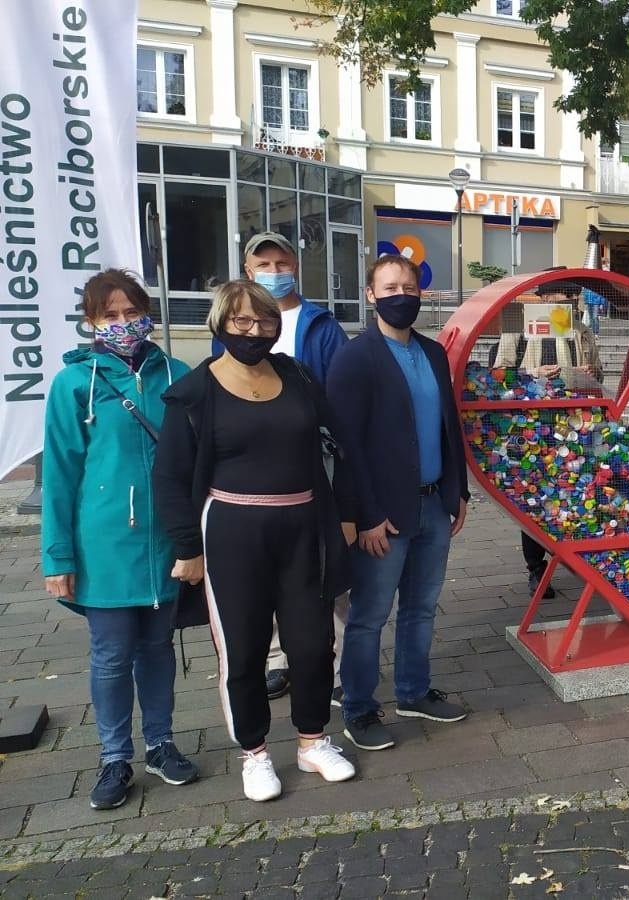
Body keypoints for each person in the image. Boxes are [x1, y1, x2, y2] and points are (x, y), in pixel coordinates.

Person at [152, 279, 357, 802]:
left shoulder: (297, 374)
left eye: (265, 321)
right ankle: (255, 753)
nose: (255, 331)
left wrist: (347, 514)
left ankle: (312, 742)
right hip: (232, 535)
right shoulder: (195, 392)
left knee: (313, 645)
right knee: (242, 650)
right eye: (242, 321)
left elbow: (335, 444)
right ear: (220, 324)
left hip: (303, 529)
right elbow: (171, 477)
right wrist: (186, 549)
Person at [41, 269, 198, 811]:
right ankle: (114, 758)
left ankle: (161, 744)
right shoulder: (72, 385)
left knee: (157, 649)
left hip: (165, 544)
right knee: (110, 657)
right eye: (111, 315)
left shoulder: (176, 375)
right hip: (102, 548)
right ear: (91, 322)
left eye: (132, 312)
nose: (124, 323)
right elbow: (60, 475)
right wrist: (57, 555)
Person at [328, 254, 472, 752]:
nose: (401, 295)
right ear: (371, 295)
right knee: (369, 615)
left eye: (409, 286)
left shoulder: (432, 353)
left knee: (422, 608)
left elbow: (448, 427)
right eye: (390, 287)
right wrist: (364, 515)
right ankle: (360, 709)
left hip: (433, 504)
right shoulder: (354, 357)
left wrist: (459, 491)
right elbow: (346, 446)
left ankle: (412, 692)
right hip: (382, 516)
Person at [225, 232, 350, 702]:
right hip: (258, 465)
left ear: (295, 265)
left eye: (281, 263)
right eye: (265, 264)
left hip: (317, 459)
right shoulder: (241, 323)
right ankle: (278, 657)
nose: (274, 272)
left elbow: (341, 397)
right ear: (248, 268)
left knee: (326, 560)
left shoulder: (321, 325)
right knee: (272, 563)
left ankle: (332, 663)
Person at [519, 280, 605, 589]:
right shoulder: (524, 329)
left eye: (574, 294)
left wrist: (592, 374)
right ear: (543, 298)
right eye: (563, 294)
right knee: (536, 497)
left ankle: (575, 557)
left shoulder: (582, 329)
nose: (571, 299)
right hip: (537, 427)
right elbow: (500, 371)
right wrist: (532, 373)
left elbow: (598, 371)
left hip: (577, 427)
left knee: (576, 493)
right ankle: (536, 567)